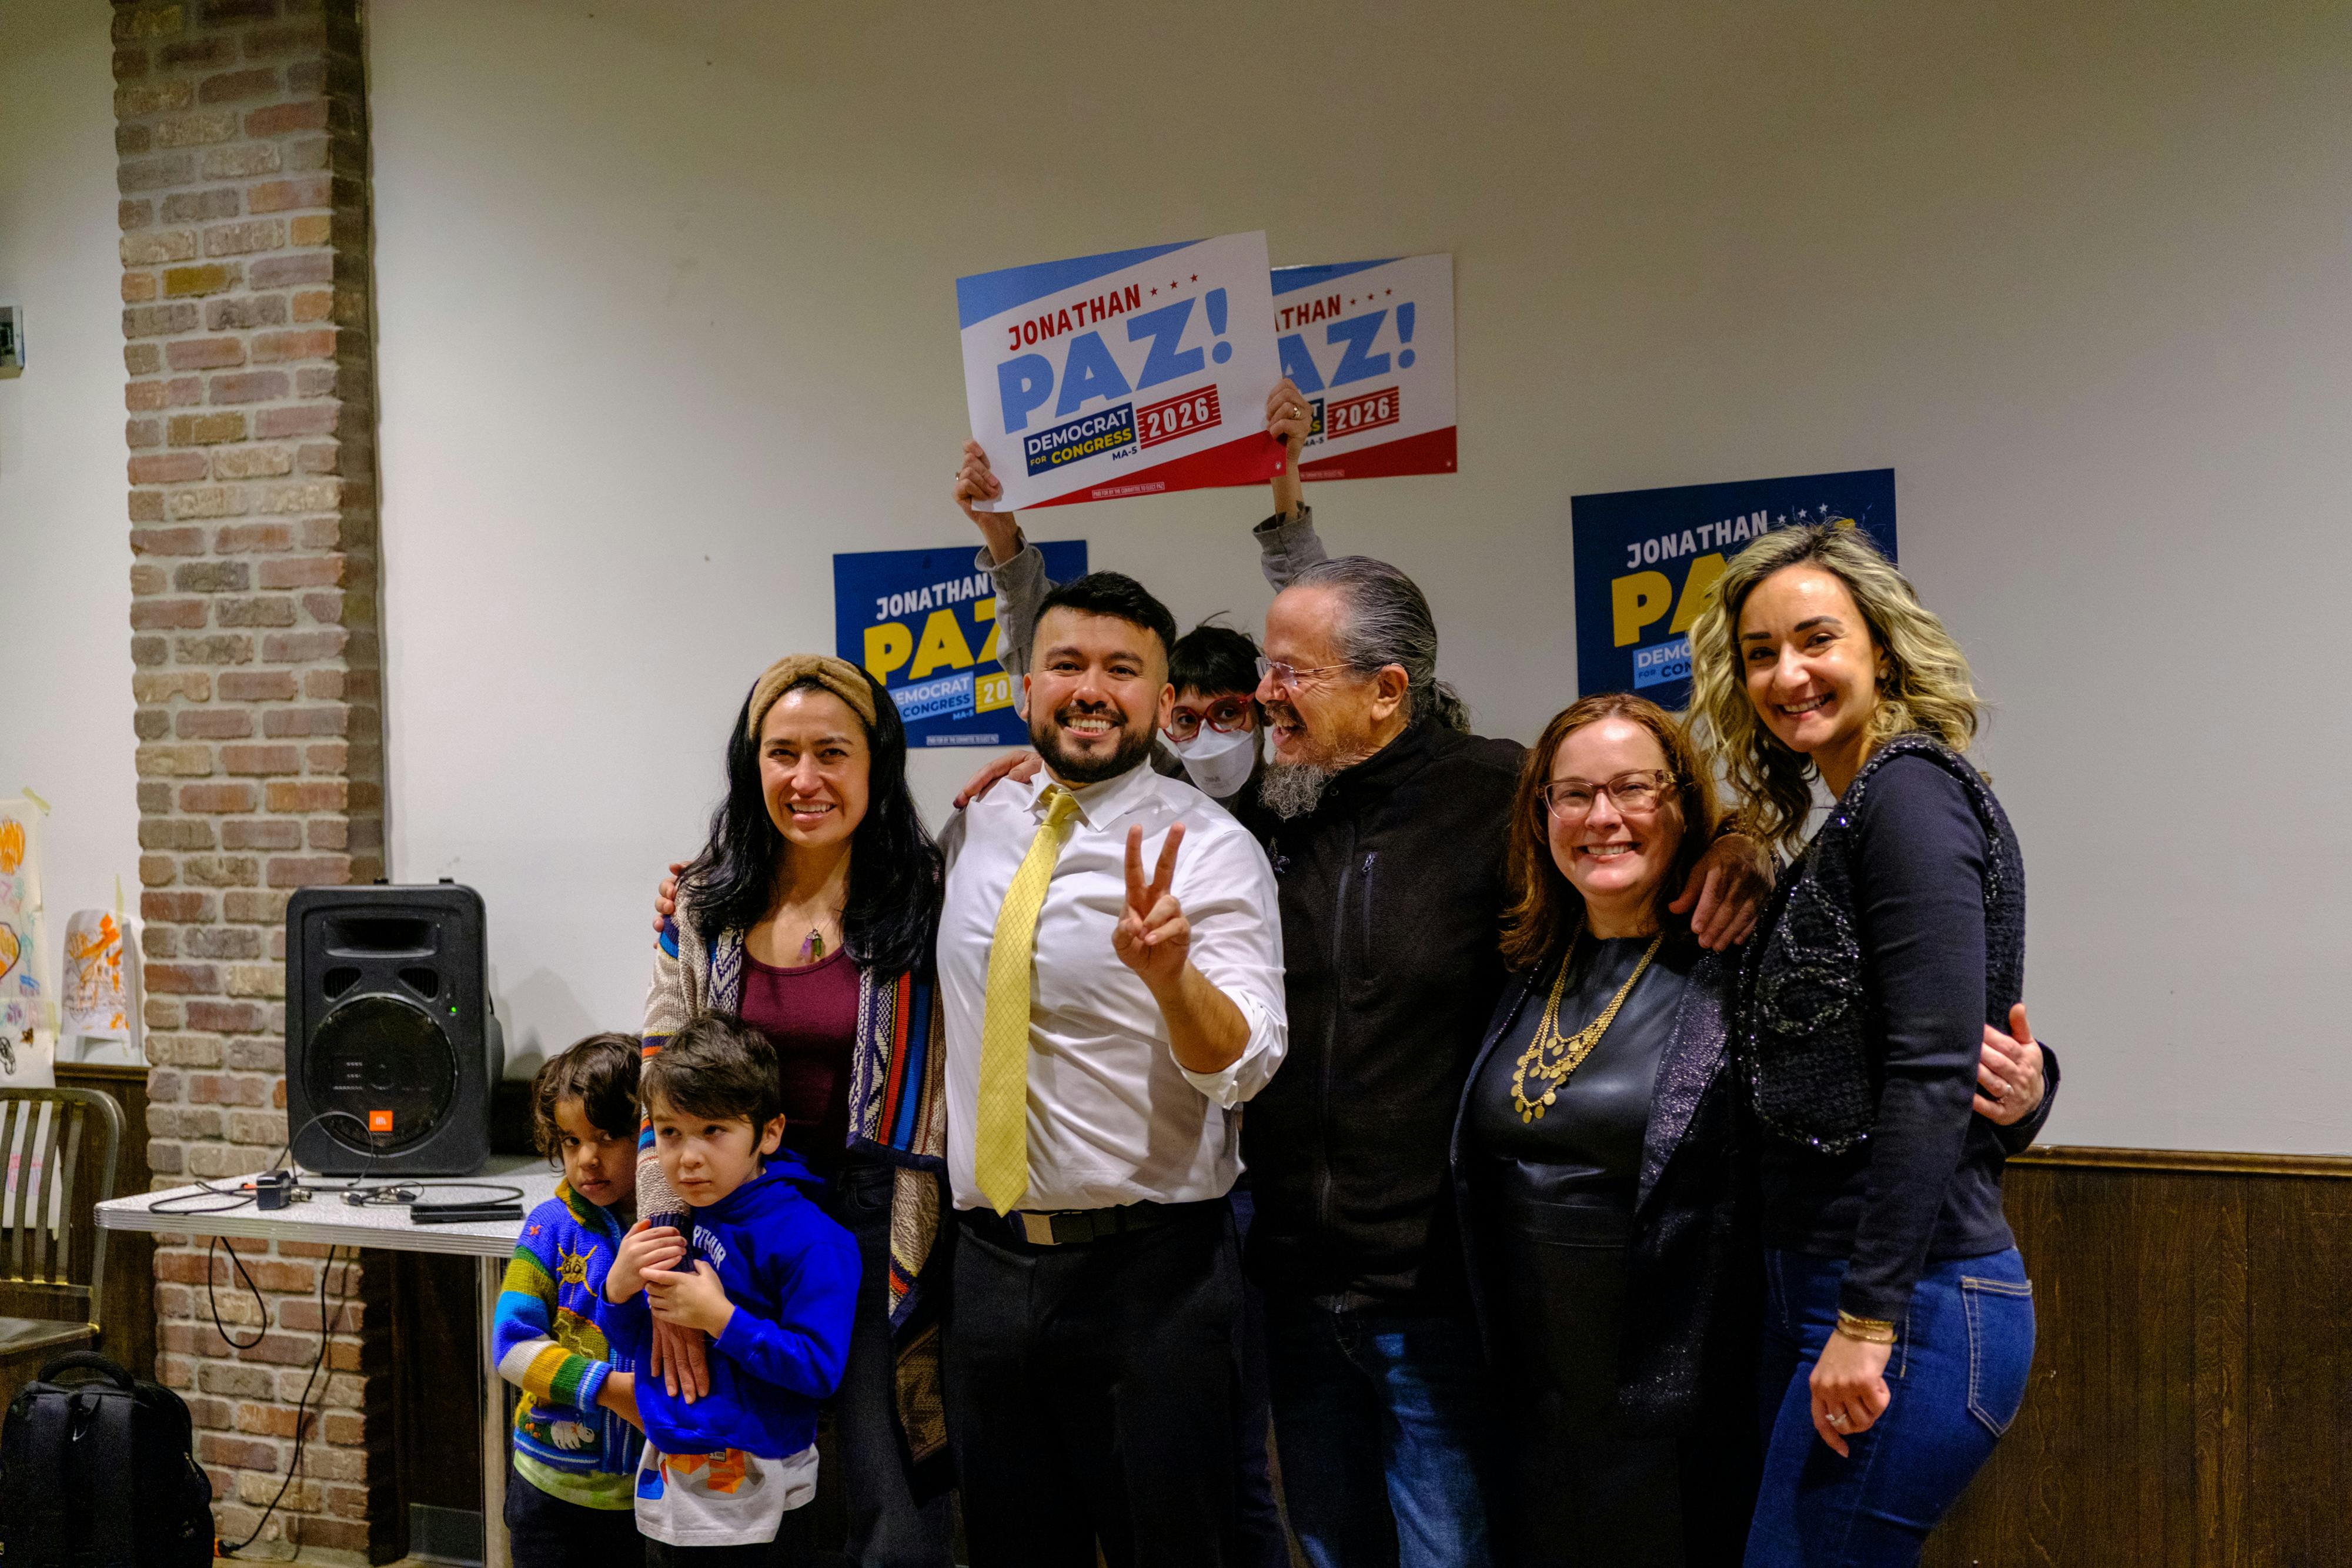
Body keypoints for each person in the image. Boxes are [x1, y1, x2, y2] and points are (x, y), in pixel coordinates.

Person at [1449, 696, 2054, 1566]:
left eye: (1634, 788)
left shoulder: (1747, 953)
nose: (1602, 816)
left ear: (1683, 802)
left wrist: (2030, 1086)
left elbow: (1909, 1046)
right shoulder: (1520, 961)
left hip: (1684, 1396)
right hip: (1532, 1395)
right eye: (1573, 793)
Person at [1687, 524, 2042, 1567]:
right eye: (1760, 653)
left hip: (1908, 1300)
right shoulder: (1853, 811)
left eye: (1816, 639)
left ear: (1880, 649)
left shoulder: (1909, 793)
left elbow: (1932, 1068)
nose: (1787, 674)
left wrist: (1870, 1318)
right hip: (1836, 1286)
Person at [937, 570, 1287, 1567]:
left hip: (1152, 1279)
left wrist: (1174, 979)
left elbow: (1246, 1066)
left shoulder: (1210, 849)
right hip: (987, 1267)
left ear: (1162, 701)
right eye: (1068, 664)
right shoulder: (975, 824)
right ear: (1027, 689)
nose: (1091, 688)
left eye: (1122, 670)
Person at [643, 653, 955, 1567]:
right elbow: (662, 1077)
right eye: (782, 753)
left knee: (891, 1486)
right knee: (748, 1489)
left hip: (886, 1216)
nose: (806, 777)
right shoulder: (704, 903)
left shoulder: (933, 894)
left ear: (876, 763)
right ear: (753, 766)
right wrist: (665, 1264)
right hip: (734, 1221)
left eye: (832, 752)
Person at [602, 1014, 861, 1564]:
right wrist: (617, 1290)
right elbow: (638, 1343)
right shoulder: (677, 1220)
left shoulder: (812, 1238)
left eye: (713, 1130)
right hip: (670, 1485)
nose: (688, 1156)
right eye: (670, 1132)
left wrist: (721, 1319)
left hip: (763, 1498)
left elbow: (819, 1369)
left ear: (769, 1133)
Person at [494, 1032, 650, 1568]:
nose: (587, 1159)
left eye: (607, 1136)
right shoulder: (548, 1227)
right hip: (548, 1492)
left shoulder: (675, 1224)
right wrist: (609, 1389)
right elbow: (510, 1348)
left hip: (647, 1497)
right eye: (570, 1140)